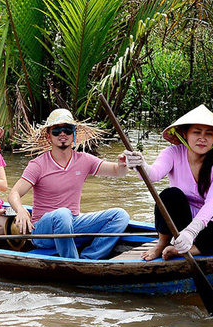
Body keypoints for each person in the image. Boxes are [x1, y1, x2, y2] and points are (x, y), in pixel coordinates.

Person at [123, 105, 213, 261]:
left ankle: (190, 250)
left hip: (209, 225)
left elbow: (212, 203)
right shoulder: (172, 153)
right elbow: (153, 174)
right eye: (196, 132)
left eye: (209, 134)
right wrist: (140, 165)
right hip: (179, 224)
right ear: (185, 134)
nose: (202, 138)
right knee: (170, 195)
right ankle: (162, 244)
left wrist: (191, 232)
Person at [8, 109, 131, 259]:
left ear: (74, 135)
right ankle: (72, 262)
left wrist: (123, 164)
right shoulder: (38, 165)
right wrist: (20, 210)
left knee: (120, 215)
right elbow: (14, 193)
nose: (62, 134)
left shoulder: (84, 160)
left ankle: (89, 258)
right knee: (62, 213)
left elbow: (117, 171)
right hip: (43, 232)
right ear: (48, 137)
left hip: (72, 224)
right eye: (56, 131)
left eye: (67, 130)